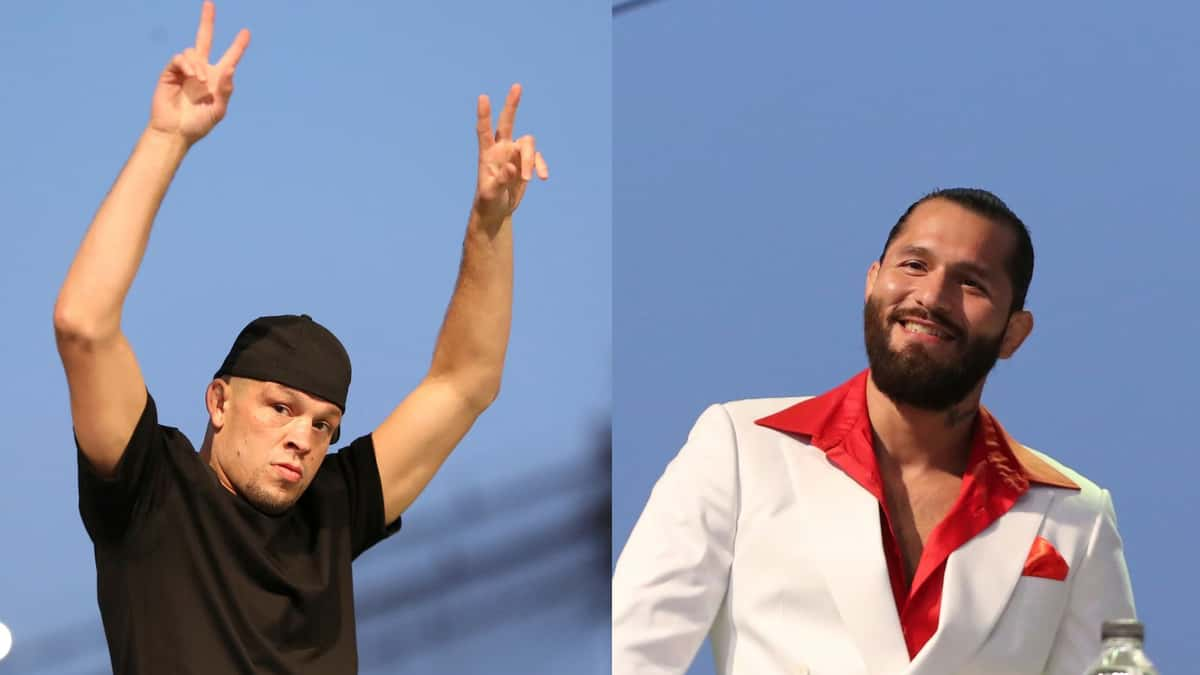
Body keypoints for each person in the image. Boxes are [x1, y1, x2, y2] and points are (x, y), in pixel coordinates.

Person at [53, 3, 548, 673]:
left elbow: (466, 383)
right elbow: (84, 324)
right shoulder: (151, 491)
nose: (303, 437)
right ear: (219, 400)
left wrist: (491, 222)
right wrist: (167, 137)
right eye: (280, 407)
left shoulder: (331, 511)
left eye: (325, 424)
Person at [612, 188, 1136, 675]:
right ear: (871, 282)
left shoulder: (1076, 515)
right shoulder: (740, 448)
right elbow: (633, 654)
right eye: (914, 265)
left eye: (971, 282)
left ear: (1013, 333)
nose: (931, 296)